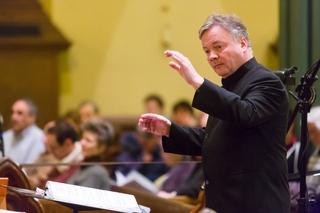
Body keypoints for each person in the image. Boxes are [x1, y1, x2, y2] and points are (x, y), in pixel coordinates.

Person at [138, 13, 290, 212]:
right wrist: (169, 130)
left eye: (218, 47)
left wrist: (197, 82)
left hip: (255, 203)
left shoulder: (267, 81)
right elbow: (213, 138)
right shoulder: (229, 88)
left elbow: (246, 113)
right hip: (226, 203)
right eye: (206, 51)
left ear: (243, 43)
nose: (212, 56)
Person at [66, 119, 114, 190]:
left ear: (102, 147)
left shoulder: (96, 173)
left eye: (88, 140)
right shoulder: (85, 165)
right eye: (82, 138)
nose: (82, 142)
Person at [3, 98, 45, 164]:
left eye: (19, 113)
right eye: (12, 112)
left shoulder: (40, 138)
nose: (14, 117)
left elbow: (29, 168)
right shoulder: (5, 136)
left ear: (32, 118)